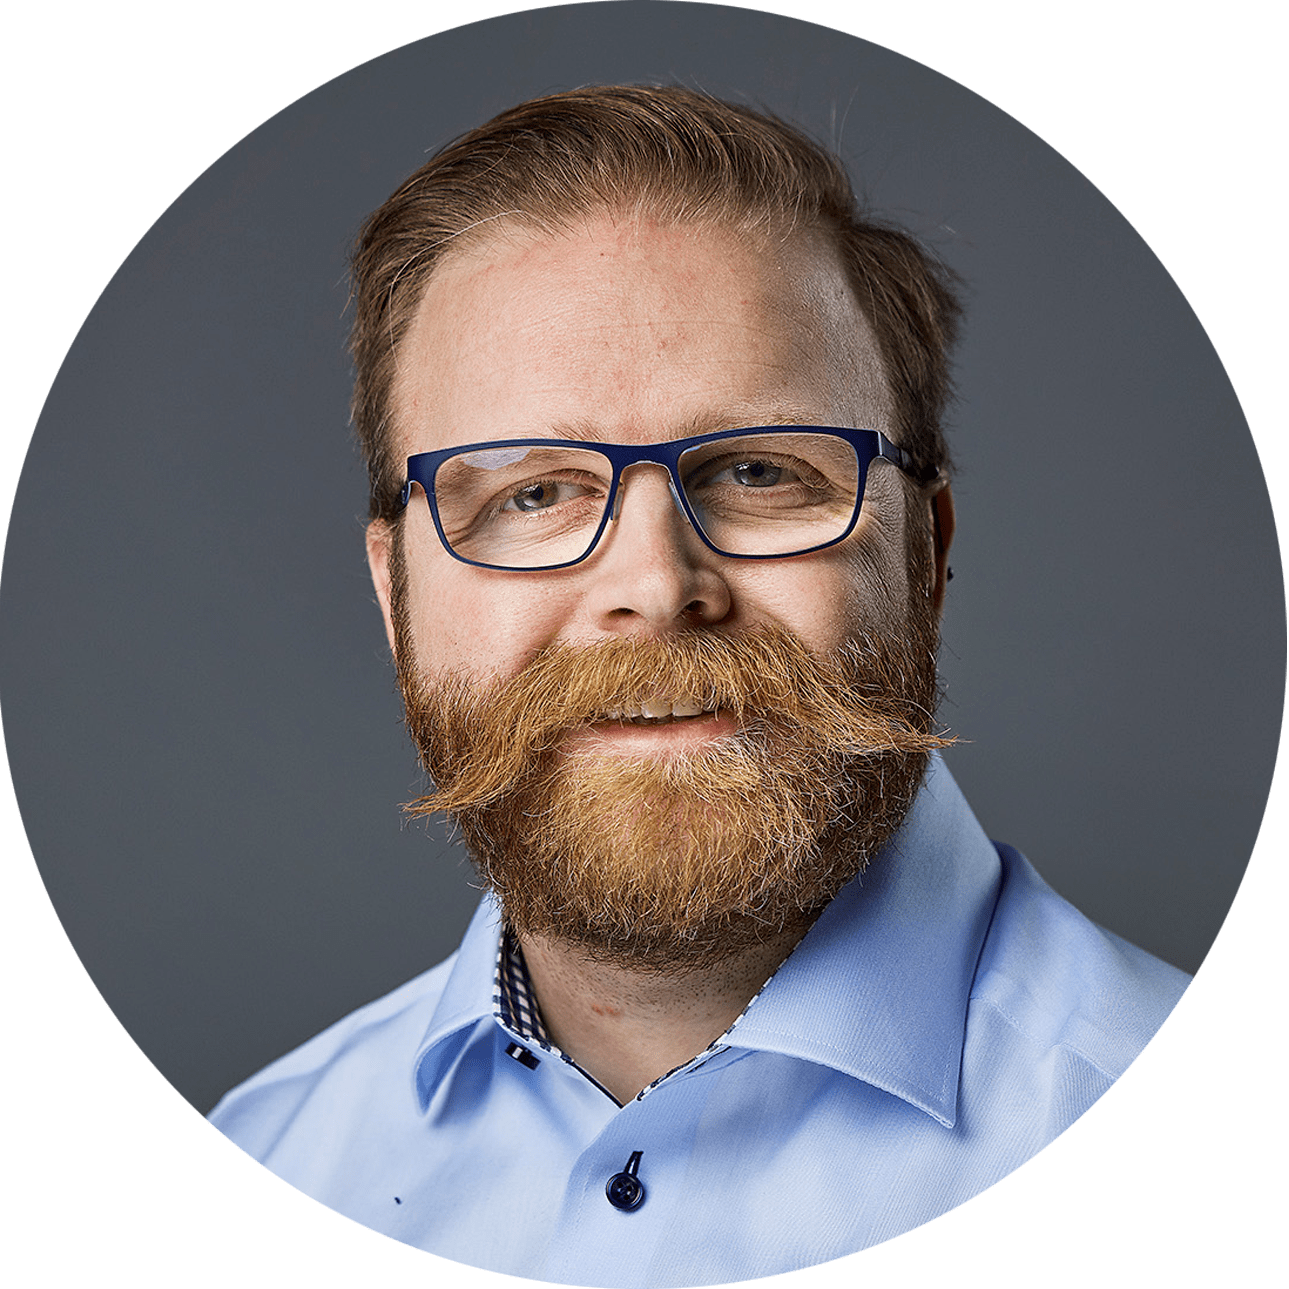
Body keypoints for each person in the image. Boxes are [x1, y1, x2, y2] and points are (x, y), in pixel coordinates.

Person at [208, 85, 1189, 1286]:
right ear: (392, 592)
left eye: (759, 471)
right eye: (530, 493)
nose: (654, 585)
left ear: (925, 557)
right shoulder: (262, 1165)